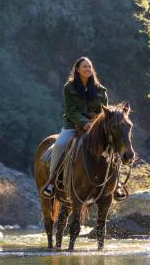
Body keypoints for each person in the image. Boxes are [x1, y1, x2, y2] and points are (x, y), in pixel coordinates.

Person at [41, 56, 124, 199]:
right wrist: (84, 123)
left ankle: (117, 183)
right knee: (60, 144)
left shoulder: (101, 90)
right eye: (84, 66)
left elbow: (105, 113)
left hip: (96, 128)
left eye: (89, 66)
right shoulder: (69, 87)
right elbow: (71, 111)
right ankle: (52, 181)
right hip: (73, 125)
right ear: (77, 70)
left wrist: (95, 124)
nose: (87, 69)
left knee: (115, 146)